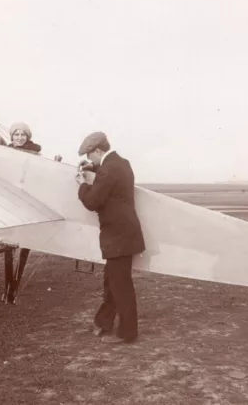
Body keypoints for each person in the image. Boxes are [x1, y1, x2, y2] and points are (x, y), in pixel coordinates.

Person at [75, 131, 145, 344]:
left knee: (120, 286)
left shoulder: (109, 170)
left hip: (117, 235)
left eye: (90, 156)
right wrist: (94, 168)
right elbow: (109, 175)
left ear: (98, 150)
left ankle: (128, 332)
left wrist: (82, 185)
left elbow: (92, 202)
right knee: (112, 281)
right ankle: (103, 322)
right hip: (125, 233)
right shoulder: (121, 163)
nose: (89, 159)